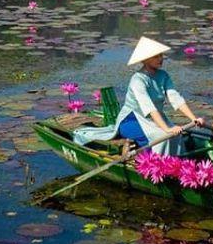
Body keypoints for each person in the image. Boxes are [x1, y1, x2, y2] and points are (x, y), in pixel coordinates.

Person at [73, 37, 203, 155]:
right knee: (161, 137)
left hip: (153, 118)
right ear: (145, 60)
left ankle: (175, 164)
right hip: (132, 119)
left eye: (161, 55)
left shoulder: (163, 75)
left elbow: (175, 98)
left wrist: (194, 119)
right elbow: (149, 107)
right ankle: (148, 163)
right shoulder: (138, 80)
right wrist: (166, 130)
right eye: (156, 56)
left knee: (176, 135)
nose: (160, 59)